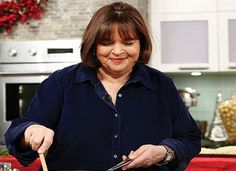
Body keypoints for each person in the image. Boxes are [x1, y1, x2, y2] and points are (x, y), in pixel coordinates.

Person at [5, 1, 201, 171]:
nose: (117, 51)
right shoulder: (60, 83)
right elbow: (18, 131)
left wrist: (163, 152)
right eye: (106, 43)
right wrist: (30, 132)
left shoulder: (161, 85)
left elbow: (190, 138)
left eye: (128, 42)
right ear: (94, 46)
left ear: (141, 44)